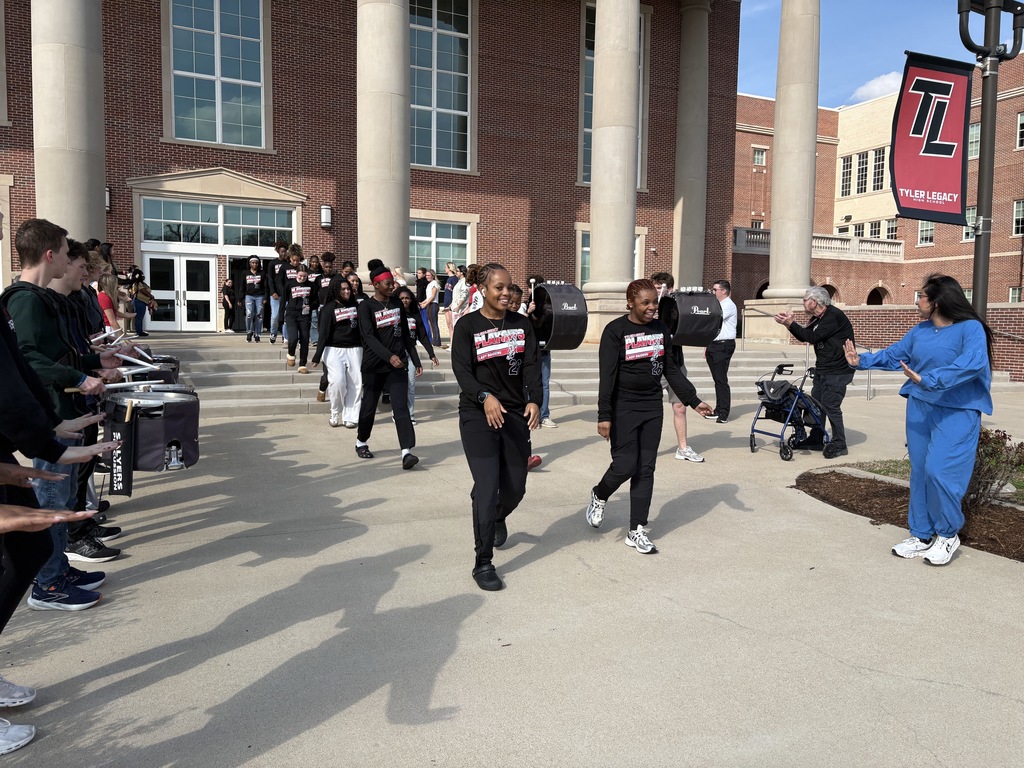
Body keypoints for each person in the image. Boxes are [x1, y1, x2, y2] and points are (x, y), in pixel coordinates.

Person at [844, 274, 993, 566]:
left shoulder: (970, 328)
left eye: (921, 297)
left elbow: (972, 363)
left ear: (937, 301)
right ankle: (922, 534)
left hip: (958, 410)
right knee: (921, 471)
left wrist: (929, 379)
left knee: (941, 472)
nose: (917, 301)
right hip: (920, 406)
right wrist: (862, 361)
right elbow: (895, 356)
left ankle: (948, 535)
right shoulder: (920, 331)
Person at [586, 279, 714, 554]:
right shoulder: (615, 331)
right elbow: (606, 376)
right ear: (630, 302)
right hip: (623, 407)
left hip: (651, 406)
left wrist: (693, 400)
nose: (652, 308)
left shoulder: (660, 329)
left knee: (645, 468)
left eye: (654, 302)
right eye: (645, 302)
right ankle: (600, 494)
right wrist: (604, 415)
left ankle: (636, 529)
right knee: (624, 466)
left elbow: (670, 368)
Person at [451, 263, 541, 591]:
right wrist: (483, 394)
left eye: (509, 287)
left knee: (515, 488)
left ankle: (498, 514)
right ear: (482, 290)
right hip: (478, 414)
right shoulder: (466, 326)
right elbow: (462, 371)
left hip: (515, 413)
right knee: (487, 488)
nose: (505, 293)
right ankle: (483, 561)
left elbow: (532, 364)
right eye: (498, 288)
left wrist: (535, 400)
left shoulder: (522, 324)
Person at [774, 285, 855, 456]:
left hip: (838, 371)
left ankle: (840, 444)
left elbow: (813, 337)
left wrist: (791, 323)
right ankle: (816, 438)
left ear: (815, 302)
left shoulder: (833, 316)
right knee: (816, 405)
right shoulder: (818, 318)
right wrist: (789, 325)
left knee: (830, 405)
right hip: (823, 369)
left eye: (805, 300)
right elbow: (805, 335)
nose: (803, 303)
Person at [355, 266, 421, 469]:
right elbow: (369, 338)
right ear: (376, 285)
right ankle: (361, 441)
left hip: (397, 364)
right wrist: (388, 356)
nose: (392, 286)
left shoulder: (396, 304)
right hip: (374, 366)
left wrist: (415, 360)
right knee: (369, 407)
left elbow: (404, 335)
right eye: (388, 283)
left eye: (393, 282)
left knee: (400, 408)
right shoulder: (366, 307)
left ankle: (406, 452)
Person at [650, 272, 704, 463]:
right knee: (648, 409)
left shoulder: (676, 307)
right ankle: (644, 449)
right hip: (653, 365)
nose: (660, 290)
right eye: (657, 287)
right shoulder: (647, 307)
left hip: (675, 363)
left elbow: (687, 327)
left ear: (670, 289)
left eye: (663, 287)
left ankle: (682, 448)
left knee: (680, 407)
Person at [312, 277, 362, 428]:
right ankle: (335, 412)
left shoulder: (357, 306)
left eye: (348, 289)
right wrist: (317, 355)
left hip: (355, 349)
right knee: (337, 382)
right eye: (343, 289)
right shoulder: (328, 308)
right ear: (335, 290)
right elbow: (324, 334)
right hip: (333, 349)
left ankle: (351, 417)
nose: (347, 291)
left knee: (356, 384)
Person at [397, 287, 439, 425]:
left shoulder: (415, 316)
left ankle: (409, 414)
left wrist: (431, 354)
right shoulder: (394, 315)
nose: (404, 300)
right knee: (398, 385)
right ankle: (396, 412)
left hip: (410, 354)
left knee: (411, 385)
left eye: (407, 298)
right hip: (396, 354)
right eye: (402, 298)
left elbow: (423, 336)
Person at [523, 275, 556, 428]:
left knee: (544, 383)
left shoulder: (548, 305)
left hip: (544, 348)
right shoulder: (523, 306)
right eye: (532, 288)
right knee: (530, 382)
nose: (533, 291)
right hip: (529, 348)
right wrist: (528, 313)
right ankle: (530, 413)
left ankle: (544, 415)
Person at [704, 279, 737, 423]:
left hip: (724, 346)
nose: (713, 292)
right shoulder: (717, 304)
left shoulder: (728, 305)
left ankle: (724, 413)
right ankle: (718, 409)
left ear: (723, 291)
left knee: (721, 379)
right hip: (713, 344)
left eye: (715, 289)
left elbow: (714, 318)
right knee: (717, 379)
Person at [283, 264, 317, 374]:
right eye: (300, 276)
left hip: (305, 315)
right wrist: (280, 317)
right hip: (291, 314)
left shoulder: (311, 285)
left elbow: (316, 300)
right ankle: (291, 354)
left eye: (305, 276)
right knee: (292, 338)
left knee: (304, 339)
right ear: (296, 274)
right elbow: (283, 300)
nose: (302, 278)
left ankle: (302, 364)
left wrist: (310, 306)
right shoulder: (290, 284)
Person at [243, 256, 268, 342]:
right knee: (249, 314)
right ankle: (249, 332)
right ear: (250, 263)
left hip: (259, 296)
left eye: (256, 263)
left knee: (259, 315)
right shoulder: (245, 273)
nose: (255, 264)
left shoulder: (262, 273)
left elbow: (265, 286)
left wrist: (265, 297)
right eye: (253, 263)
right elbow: (242, 286)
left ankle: (257, 334)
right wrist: (240, 298)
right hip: (249, 296)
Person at [269, 242, 289, 344]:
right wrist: (273, 292)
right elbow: (270, 279)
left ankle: (284, 336)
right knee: (275, 316)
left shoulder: (288, 263)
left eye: (285, 251)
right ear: (278, 252)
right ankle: (273, 333)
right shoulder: (272, 263)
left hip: (286, 295)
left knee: (286, 316)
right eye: (282, 251)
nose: (283, 253)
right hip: (276, 295)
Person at [128, 267, 155, 337]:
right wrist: (151, 296)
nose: (143, 276)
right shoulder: (138, 283)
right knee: (139, 317)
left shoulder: (142, 283)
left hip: (143, 302)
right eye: (141, 275)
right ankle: (139, 331)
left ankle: (139, 330)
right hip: (139, 301)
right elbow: (143, 291)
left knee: (140, 316)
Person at [420, 268, 441, 346]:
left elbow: (433, 296)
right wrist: (422, 303)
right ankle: (434, 340)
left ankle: (437, 341)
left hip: (433, 305)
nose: (427, 277)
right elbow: (428, 297)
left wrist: (425, 304)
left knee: (434, 323)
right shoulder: (430, 284)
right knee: (431, 323)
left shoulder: (434, 283)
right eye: (426, 275)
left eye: (429, 275)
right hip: (430, 304)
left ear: (433, 276)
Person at [441, 261, 458, 348]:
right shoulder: (448, 279)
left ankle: (453, 344)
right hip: (446, 304)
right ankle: (451, 342)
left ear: (449, 268)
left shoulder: (454, 279)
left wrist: (451, 305)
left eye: (446, 267)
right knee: (449, 325)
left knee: (452, 324)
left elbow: (456, 294)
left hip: (451, 305)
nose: (445, 269)